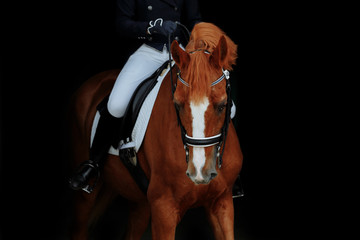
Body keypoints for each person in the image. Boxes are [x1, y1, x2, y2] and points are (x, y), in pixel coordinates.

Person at [69, 0, 202, 193]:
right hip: (149, 52)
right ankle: (93, 164)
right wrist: (152, 27)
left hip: (181, 53)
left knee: (224, 103)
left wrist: (199, 42)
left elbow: (195, 20)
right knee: (116, 105)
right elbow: (122, 24)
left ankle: (226, 171)